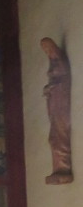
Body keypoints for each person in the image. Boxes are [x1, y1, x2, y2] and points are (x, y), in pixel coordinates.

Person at [41, 37, 73, 184]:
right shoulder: (54, 65)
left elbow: (62, 83)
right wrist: (49, 90)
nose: (47, 52)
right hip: (54, 104)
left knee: (58, 136)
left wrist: (52, 88)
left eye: (48, 49)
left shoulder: (61, 66)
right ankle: (58, 168)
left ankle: (63, 168)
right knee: (53, 138)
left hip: (60, 104)